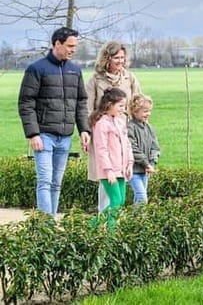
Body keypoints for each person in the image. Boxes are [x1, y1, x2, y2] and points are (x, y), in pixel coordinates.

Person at [18, 27, 91, 215]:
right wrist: (33, 134)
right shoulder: (36, 69)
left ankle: (50, 223)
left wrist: (84, 129)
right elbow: (26, 103)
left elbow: (81, 102)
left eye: (75, 46)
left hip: (65, 136)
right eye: (70, 46)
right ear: (57, 44)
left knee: (56, 183)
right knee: (45, 181)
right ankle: (46, 226)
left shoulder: (75, 71)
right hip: (43, 135)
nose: (73, 50)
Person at [86, 41, 141, 213]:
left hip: (123, 132)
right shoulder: (95, 80)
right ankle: (104, 219)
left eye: (123, 58)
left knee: (120, 181)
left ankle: (111, 222)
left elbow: (137, 102)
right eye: (116, 58)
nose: (120, 61)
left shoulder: (129, 78)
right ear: (107, 58)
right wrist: (87, 132)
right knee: (106, 175)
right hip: (103, 132)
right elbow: (87, 107)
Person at [90, 88, 133, 228]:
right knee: (115, 200)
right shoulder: (101, 124)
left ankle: (97, 227)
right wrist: (108, 170)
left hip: (121, 169)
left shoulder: (120, 123)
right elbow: (101, 149)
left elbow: (127, 145)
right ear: (109, 105)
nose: (123, 109)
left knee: (120, 201)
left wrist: (129, 164)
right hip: (109, 171)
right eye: (120, 106)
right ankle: (106, 231)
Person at [127, 94, 161, 204]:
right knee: (142, 197)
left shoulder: (149, 128)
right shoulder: (129, 127)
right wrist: (146, 163)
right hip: (134, 170)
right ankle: (138, 218)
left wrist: (151, 163)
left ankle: (136, 218)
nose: (148, 114)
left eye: (149, 111)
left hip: (146, 170)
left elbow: (155, 147)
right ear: (135, 111)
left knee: (140, 196)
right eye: (145, 111)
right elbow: (133, 148)